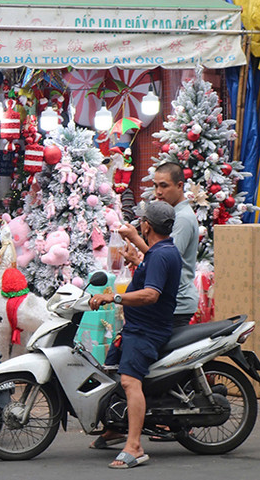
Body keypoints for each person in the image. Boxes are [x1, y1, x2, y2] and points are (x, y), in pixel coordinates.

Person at [88, 201, 182, 469]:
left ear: (147, 225)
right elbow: (151, 256)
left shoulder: (162, 255)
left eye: (142, 222)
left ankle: (135, 446)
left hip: (147, 331)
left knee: (130, 381)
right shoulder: (162, 250)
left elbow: (151, 294)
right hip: (137, 327)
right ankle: (116, 428)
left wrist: (112, 298)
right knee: (111, 371)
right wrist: (135, 243)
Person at [119, 162, 198, 327]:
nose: (158, 192)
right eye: (155, 186)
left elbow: (167, 257)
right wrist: (137, 260)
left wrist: (135, 238)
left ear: (180, 186)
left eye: (164, 186)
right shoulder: (174, 213)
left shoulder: (181, 218)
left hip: (177, 303)